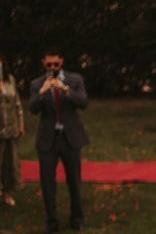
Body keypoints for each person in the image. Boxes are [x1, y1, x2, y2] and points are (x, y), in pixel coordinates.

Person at [30, 49, 89, 233]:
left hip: (70, 139)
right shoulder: (36, 83)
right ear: (43, 63)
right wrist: (42, 92)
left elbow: (84, 103)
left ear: (61, 61)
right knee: (47, 184)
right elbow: (32, 109)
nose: (53, 67)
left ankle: (77, 219)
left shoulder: (75, 79)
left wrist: (66, 90)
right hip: (48, 140)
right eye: (49, 65)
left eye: (56, 64)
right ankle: (51, 222)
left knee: (74, 182)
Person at [0, 52, 24, 207]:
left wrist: (20, 124)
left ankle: (7, 193)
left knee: (9, 162)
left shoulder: (10, 80)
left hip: (11, 128)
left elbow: (17, 104)